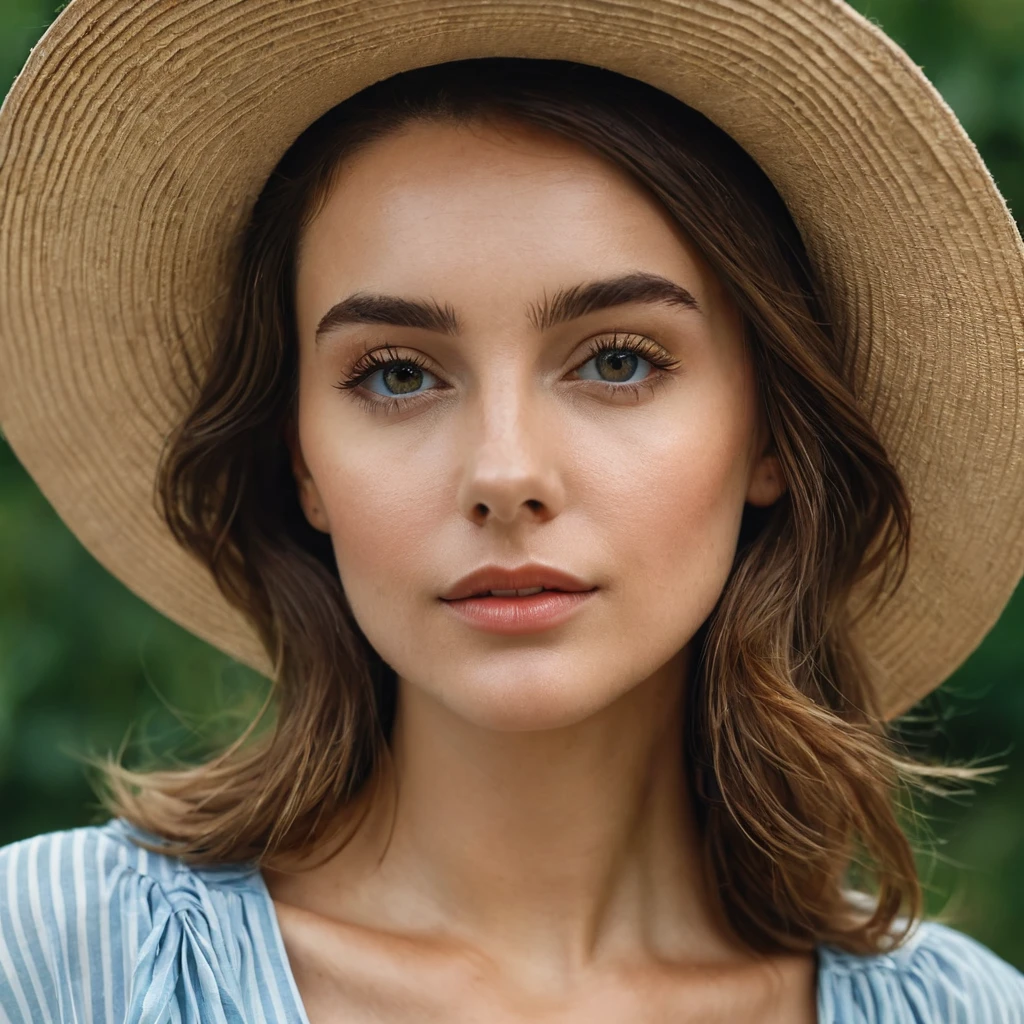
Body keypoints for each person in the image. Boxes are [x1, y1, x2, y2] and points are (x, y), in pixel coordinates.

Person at [0, 2, 1022, 1023]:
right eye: (397, 374)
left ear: (768, 434)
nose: (504, 471)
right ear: (298, 459)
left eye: (617, 360)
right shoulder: (56, 958)